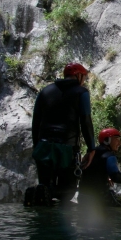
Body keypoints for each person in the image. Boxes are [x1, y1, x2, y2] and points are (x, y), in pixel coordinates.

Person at [29, 62, 96, 206]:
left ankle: (40, 192)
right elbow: (86, 121)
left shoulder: (45, 91)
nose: (84, 80)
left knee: (45, 184)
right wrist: (91, 148)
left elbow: (36, 122)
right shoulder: (81, 92)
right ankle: (49, 195)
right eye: (83, 76)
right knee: (68, 191)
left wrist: (37, 146)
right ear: (78, 75)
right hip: (66, 147)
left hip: (44, 146)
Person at [78, 128, 121, 207]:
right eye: (117, 139)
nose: (120, 143)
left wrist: (105, 177)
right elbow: (116, 177)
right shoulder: (109, 156)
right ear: (107, 140)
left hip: (82, 197)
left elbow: (92, 172)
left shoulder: (91, 153)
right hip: (99, 199)